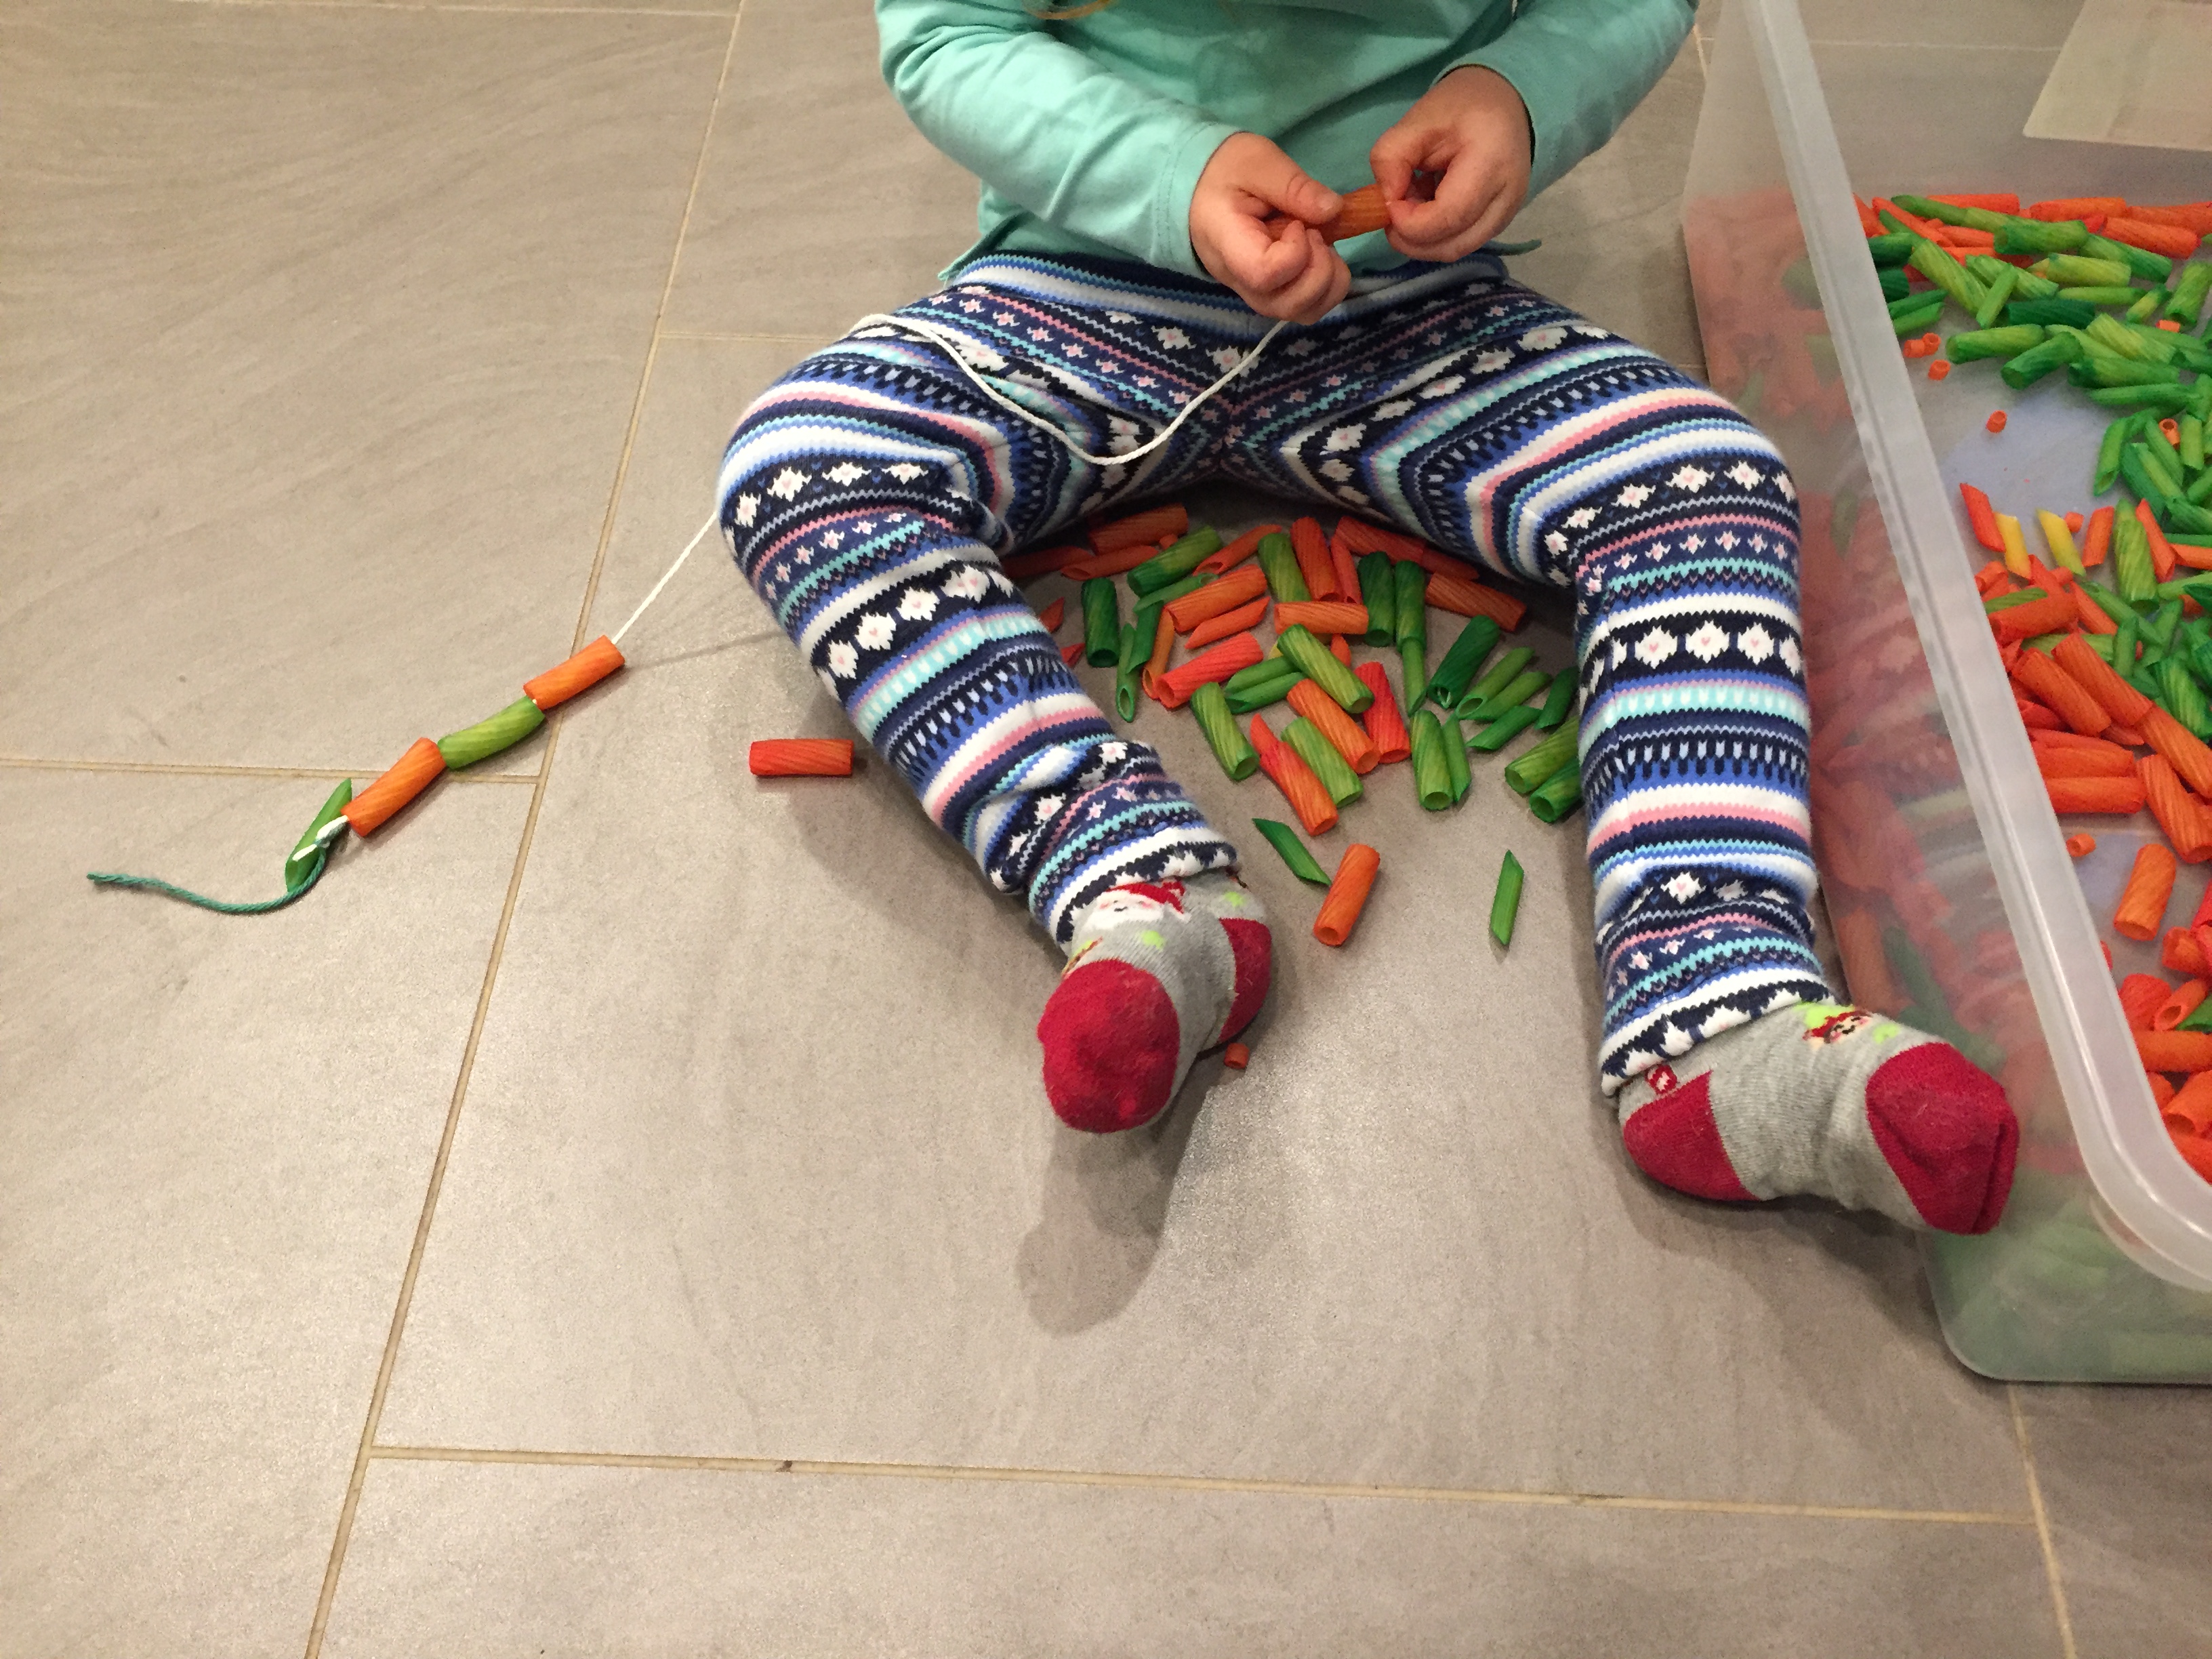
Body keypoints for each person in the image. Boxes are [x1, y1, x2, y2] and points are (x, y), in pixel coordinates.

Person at [714, 0, 2018, 1233]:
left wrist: (1512, 95)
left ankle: (1715, 1003)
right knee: (801, 468)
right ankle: (1133, 881)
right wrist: (1176, 177)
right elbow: (950, 32)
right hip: (1078, 290)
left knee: (1706, 483)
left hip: (1412, 314)